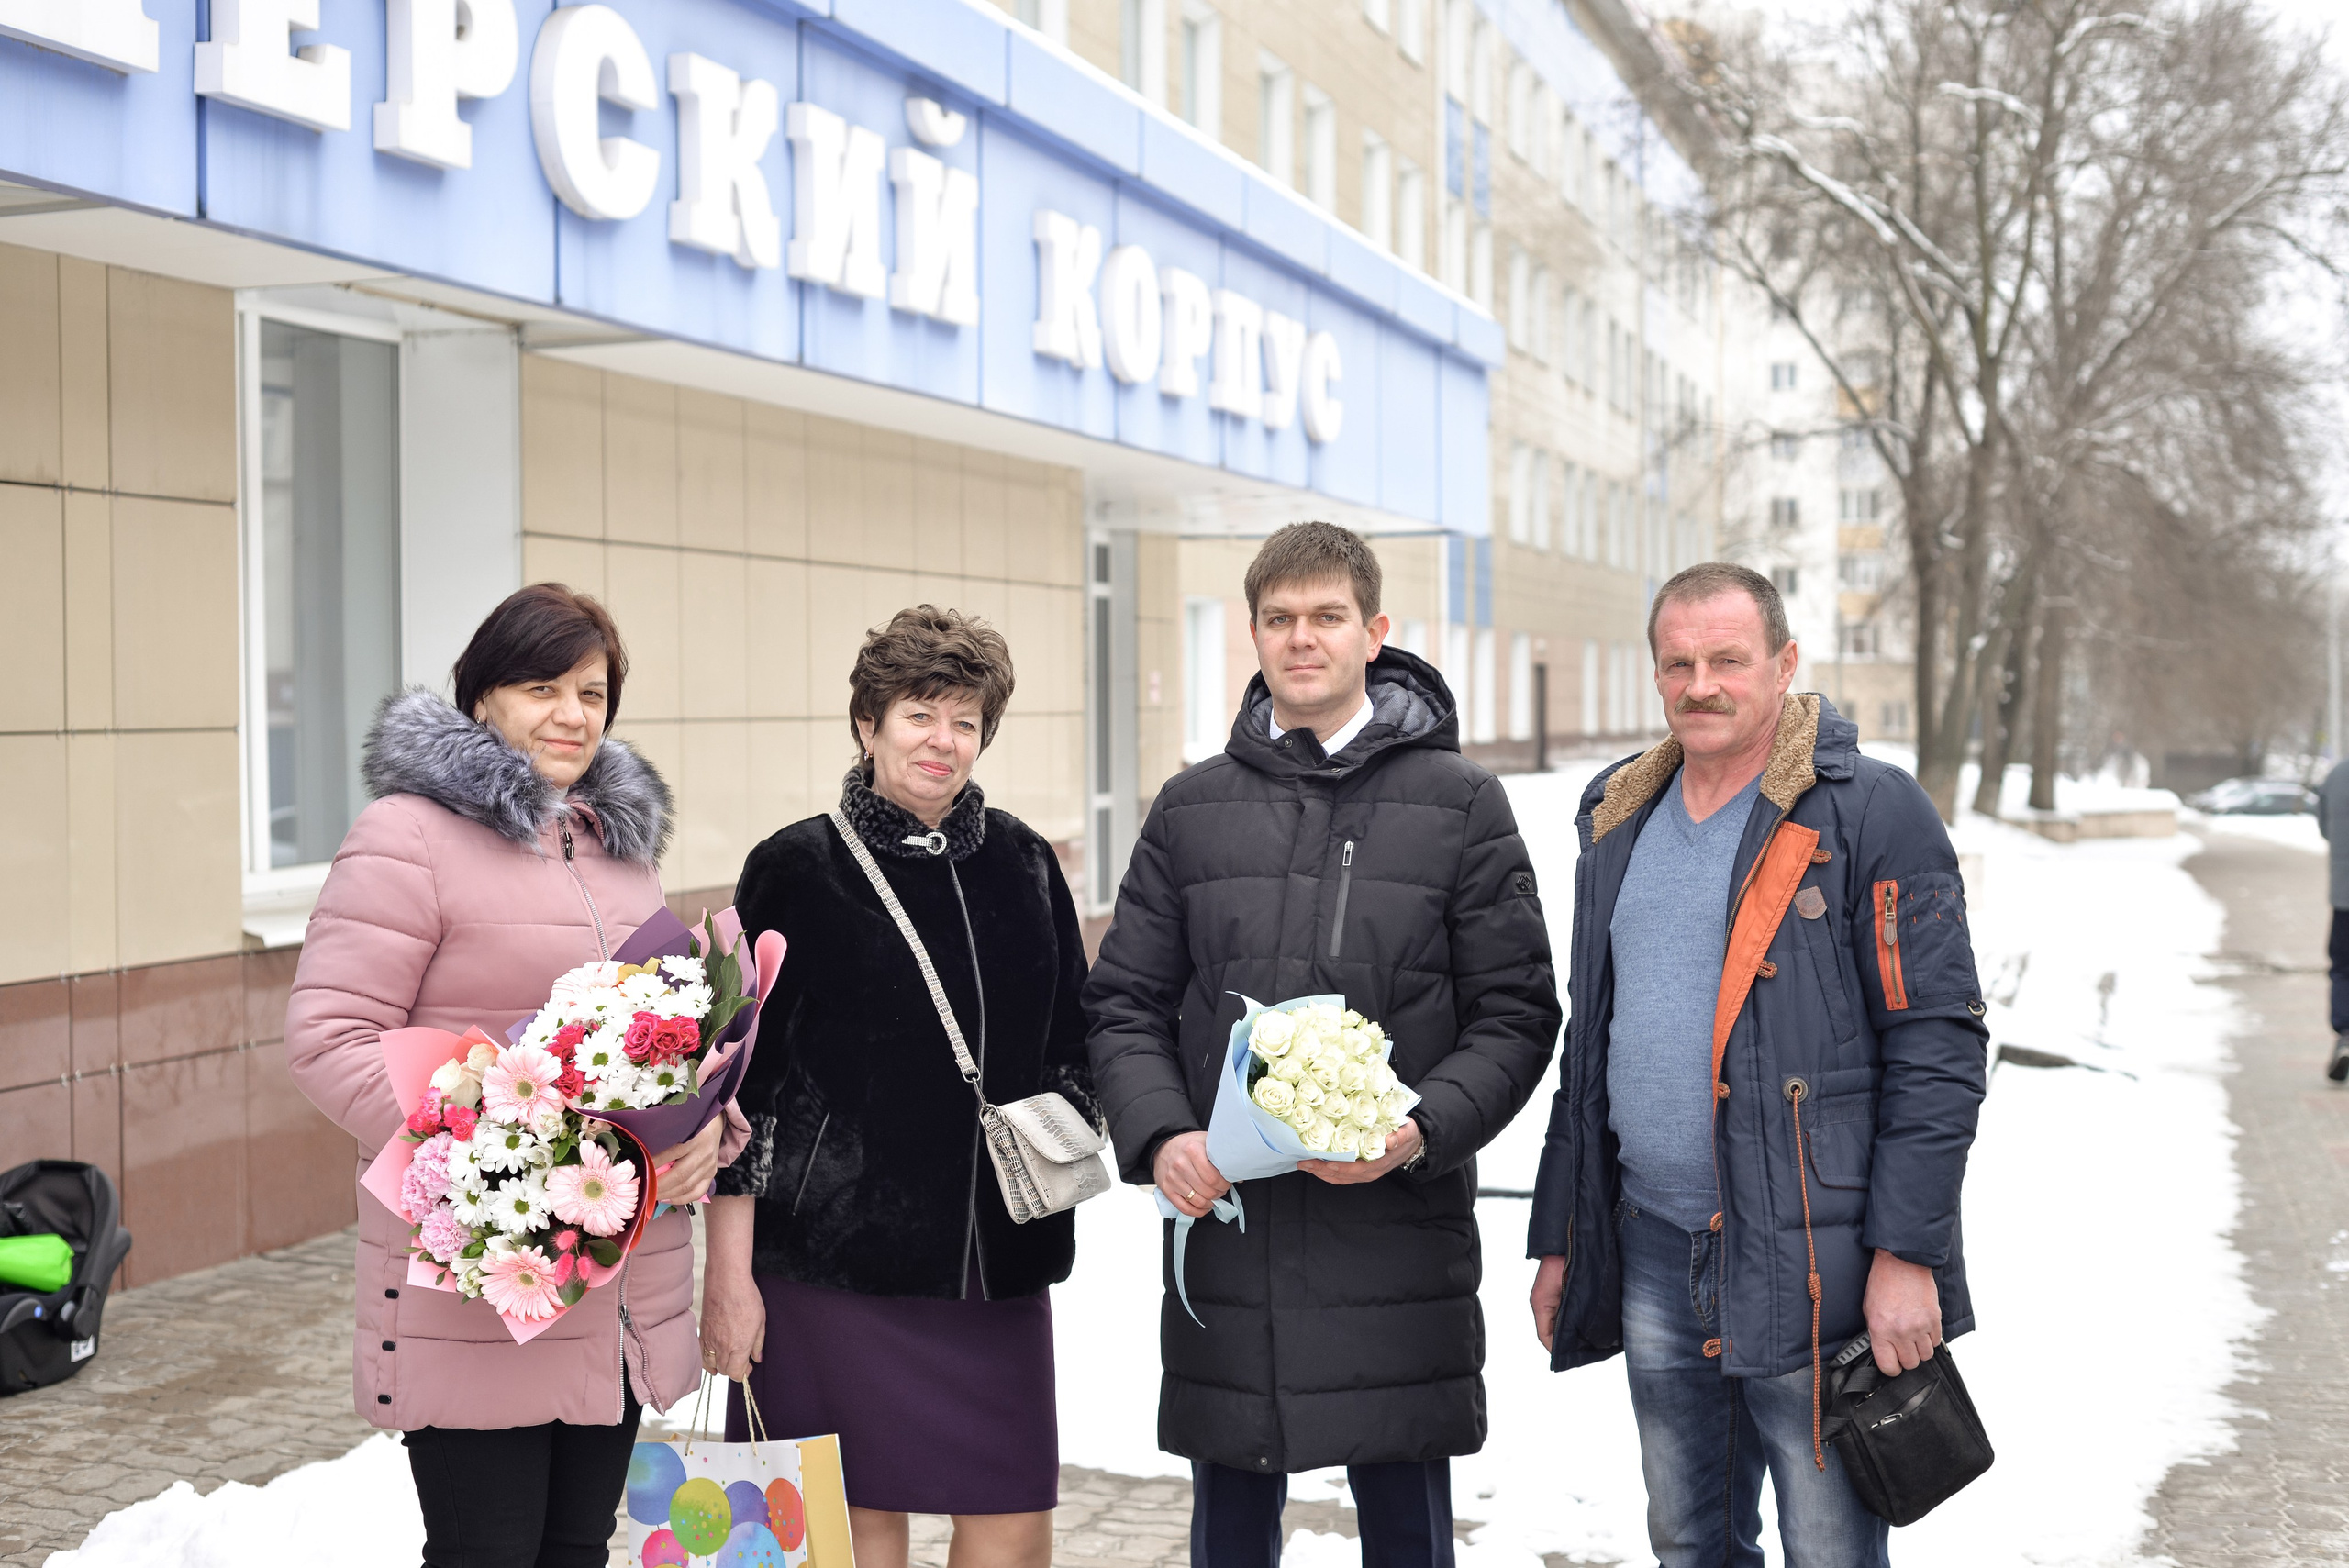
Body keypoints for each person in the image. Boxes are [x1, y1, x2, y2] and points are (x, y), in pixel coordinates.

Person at [1083, 521, 1561, 1568]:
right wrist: (1163, 1135)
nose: (1303, 638)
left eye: (1327, 616)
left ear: (1374, 630)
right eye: (1279, 618)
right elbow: (1122, 1001)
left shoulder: (1460, 804)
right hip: (1232, 1233)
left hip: (1391, 1236)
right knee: (1231, 1535)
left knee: (1404, 1529)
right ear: (1252, 633)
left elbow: (1517, 1012)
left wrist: (1418, 1128)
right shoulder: (1191, 807)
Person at [1525, 563, 1988, 1568]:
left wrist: (1908, 1252)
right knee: (1689, 1540)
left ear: (1782, 664)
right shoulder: (1617, 815)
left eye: (1727, 659)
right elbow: (1589, 1041)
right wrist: (1564, 1232)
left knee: (1827, 1551)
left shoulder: (1868, 811)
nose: (1701, 684)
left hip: (1816, 1259)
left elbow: (1938, 1046)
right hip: (1654, 1244)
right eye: (1678, 663)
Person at [285, 583, 735, 1568]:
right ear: (482, 695)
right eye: (543, 686)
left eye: (593, 691)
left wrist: (706, 1125)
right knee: (486, 1551)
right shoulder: (406, 836)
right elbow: (329, 1037)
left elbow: (658, 1041)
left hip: (618, 1284)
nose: (573, 713)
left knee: (577, 1548)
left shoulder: (620, 852)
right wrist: (512, 1160)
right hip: (488, 1273)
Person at [698, 606, 1096, 1568]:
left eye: (964, 720)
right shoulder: (795, 866)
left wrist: (1072, 1118)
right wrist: (729, 1277)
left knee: (1012, 1525)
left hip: (993, 1266)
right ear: (868, 723)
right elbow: (741, 1095)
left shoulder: (1025, 861)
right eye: (919, 713)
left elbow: (1073, 1042)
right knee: (846, 1535)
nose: (942, 740)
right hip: (831, 1273)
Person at [2315, 758, 2349, 1080]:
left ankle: (2345, 1035)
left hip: (2344, 897)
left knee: (2342, 968)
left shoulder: (2337, 775)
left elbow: (2324, 826)